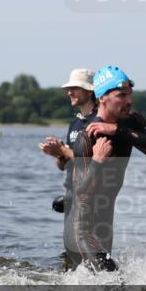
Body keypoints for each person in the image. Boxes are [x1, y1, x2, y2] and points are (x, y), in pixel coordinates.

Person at [67, 66, 146, 272]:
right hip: (83, 231)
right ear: (102, 97)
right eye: (121, 95)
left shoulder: (132, 121)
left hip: (105, 226)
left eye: (130, 95)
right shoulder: (88, 136)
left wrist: (119, 131)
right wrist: (97, 162)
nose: (129, 101)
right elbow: (81, 194)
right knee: (113, 284)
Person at [39, 69, 96, 213]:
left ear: (89, 91)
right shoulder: (75, 123)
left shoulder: (98, 122)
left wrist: (63, 150)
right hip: (72, 196)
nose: (69, 92)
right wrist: (58, 154)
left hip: (91, 201)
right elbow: (64, 166)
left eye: (75, 88)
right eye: (68, 89)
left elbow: (93, 165)